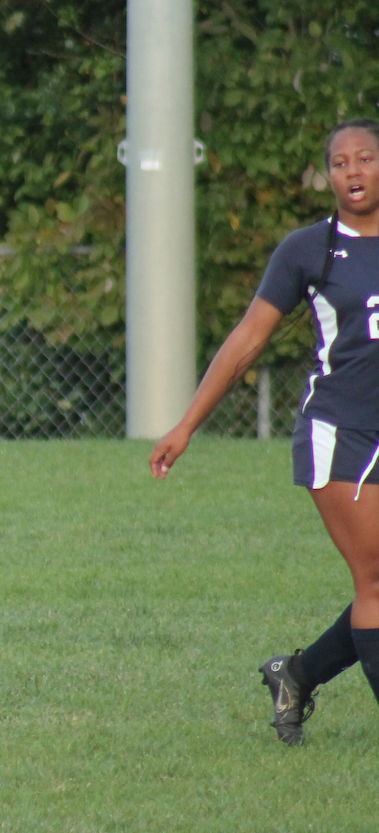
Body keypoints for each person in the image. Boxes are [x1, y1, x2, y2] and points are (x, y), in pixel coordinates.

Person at [150, 118, 379, 745]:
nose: (352, 172)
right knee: (376, 580)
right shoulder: (310, 249)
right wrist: (187, 425)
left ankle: (295, 675)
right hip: (341, 433)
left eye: (365, 158)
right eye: (340, 163)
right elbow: (248, 339)